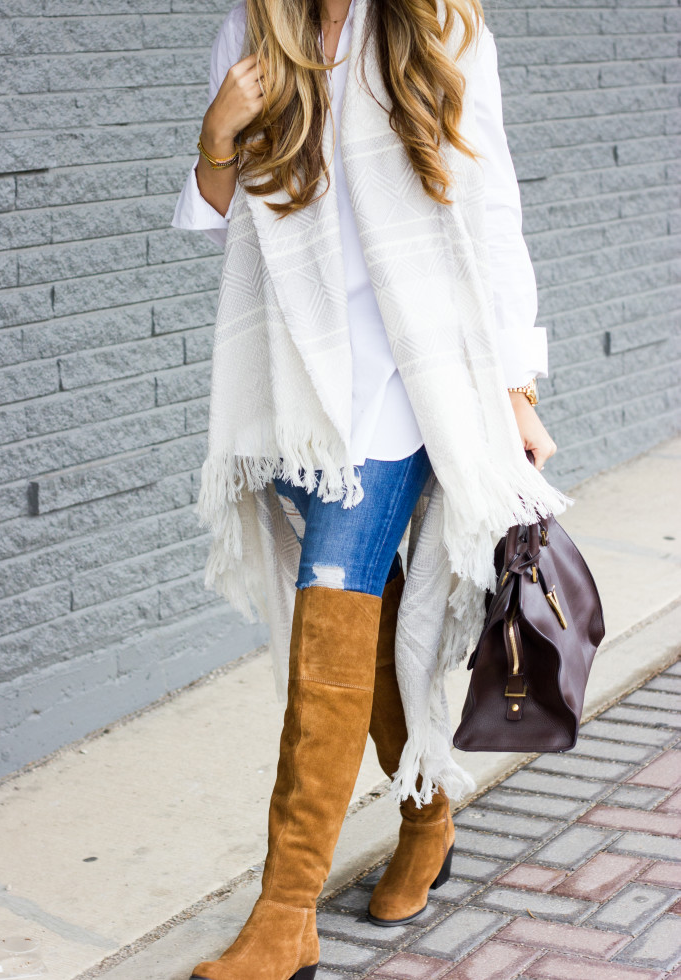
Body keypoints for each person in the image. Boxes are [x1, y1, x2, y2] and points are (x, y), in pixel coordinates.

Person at [172, 0, 567, 977]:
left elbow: (492, 209)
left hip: (414, 378)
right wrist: (216, 133)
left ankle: (286, 907)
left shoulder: (442, 29)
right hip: (300, 386)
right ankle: (428, 815)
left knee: (329, 611)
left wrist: (515, 386)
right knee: (366, 618)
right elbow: (215, 217)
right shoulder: (251, 35)